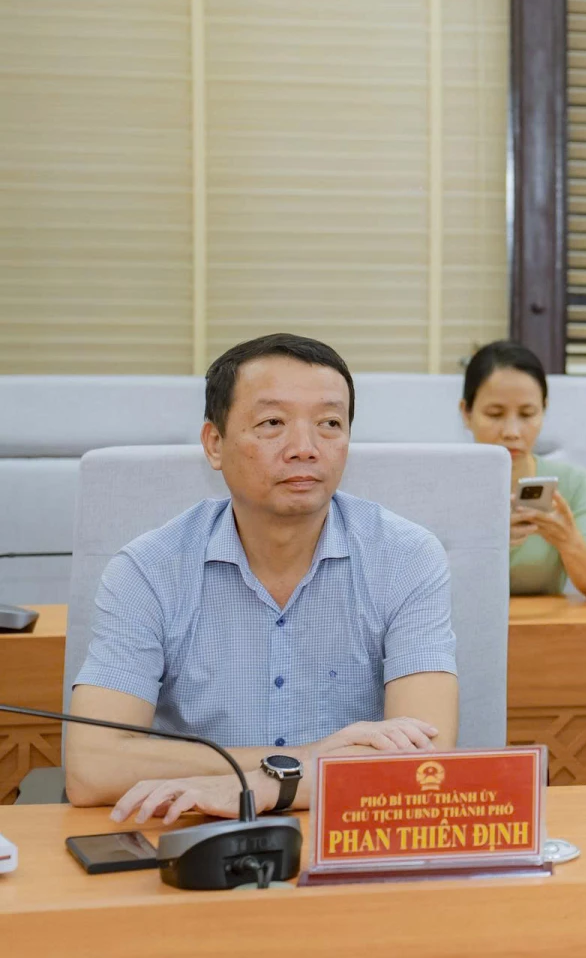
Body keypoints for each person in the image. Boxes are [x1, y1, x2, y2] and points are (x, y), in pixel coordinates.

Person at [66, 334, 461, 823]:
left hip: (353, 833)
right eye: (273, 423)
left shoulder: (405, 557)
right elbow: (92, 765)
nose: (305, 449)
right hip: (193, 831)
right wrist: (306, 759)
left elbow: (424, 759)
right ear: (214, 444)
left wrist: (265, 784)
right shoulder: (148, 571)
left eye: (330, 424)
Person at [459, 340, 586, 599]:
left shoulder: (572, 483)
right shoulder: (442, 485)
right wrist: (486, 545)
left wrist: (567, 539)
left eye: (528, 414)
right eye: (495, 414)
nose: (512, 432)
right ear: (466, 413)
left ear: (544, 410)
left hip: (547, 624)